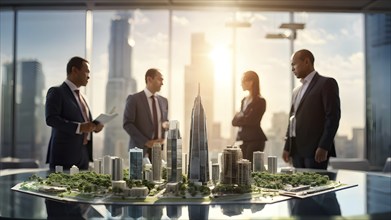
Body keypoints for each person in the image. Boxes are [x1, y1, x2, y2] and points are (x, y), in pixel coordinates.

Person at [282, 49, 341, 169]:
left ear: (307, 62)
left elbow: (333, 116)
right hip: (296, 152)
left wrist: (324, 146)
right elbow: (292, 121)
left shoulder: (326, 83)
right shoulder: (296, 91)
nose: (292, 68)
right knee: (298, 187)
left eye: (294, 64)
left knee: (316, 187)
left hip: (315, 152)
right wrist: (287, 147)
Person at [45, 57, 104, 170]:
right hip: (64, 156)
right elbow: (51, 119)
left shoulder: (83, 97)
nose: (89, 76)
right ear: (75, 70)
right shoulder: (56, 91)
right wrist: (79, 127)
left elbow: (86, 123)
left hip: (83, 156)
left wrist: (95, 127)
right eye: (86, 71)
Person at [123, 68, 169, 161]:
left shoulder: (164, 101)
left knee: (158, 175)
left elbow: (165, 121)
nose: (162, 83)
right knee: (138, 176)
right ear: (149, 79)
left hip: (158, 151)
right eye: (160, 79)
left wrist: (165, 131)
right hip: (138, 150)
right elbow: (127, 124)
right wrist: (146, 142)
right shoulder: (134, 99)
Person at [232, 70, 267, 165]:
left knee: (249, 169)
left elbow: (252, 121)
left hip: (255, 140)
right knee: (240, 168)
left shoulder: (260, 101)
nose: (241, 84)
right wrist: (244, 117)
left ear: (251, 82)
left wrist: (241, 117)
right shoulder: (244, 100)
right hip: (242, 140)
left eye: (243, 80)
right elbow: (234, 122)